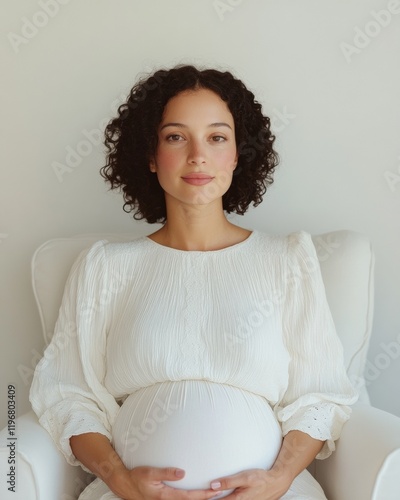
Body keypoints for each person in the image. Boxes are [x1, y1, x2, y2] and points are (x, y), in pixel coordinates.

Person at [30, 65, 358, 500]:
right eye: (176, 137)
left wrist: (277, 480)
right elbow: (68, 396)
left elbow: (319, 396)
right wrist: (121, 480)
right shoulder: (105, 267)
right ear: (150, 154)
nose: (198, 155)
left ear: (238, 154)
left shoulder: (287, 259)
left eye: (217, 137)